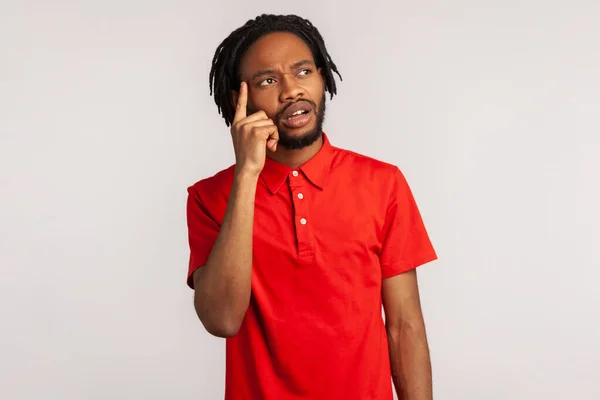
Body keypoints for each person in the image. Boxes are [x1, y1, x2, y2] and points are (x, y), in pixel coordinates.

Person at [185, 13, 438, 400]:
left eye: (302, 71)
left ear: (322, 77)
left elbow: (404, 326)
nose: (291, 91)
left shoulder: (382, 183)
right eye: (267, 81)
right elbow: (221, 319)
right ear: (241, 99)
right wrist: (247, 175)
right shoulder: (210, 197)